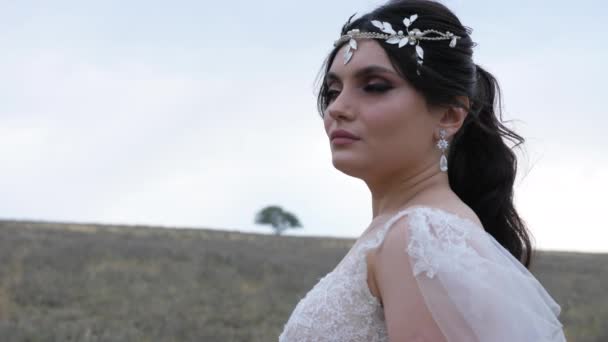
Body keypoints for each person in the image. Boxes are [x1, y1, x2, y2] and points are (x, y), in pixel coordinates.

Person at [278, 0, 566, 341]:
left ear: (449, 116)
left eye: (374, 87)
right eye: (333, 91)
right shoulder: (407, 229)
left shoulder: (417, 235)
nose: (338, 108)